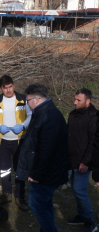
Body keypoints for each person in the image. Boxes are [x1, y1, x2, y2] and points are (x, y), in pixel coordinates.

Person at [16, 83, 68, 232]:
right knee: (44, 204)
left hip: (46, 173)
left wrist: (36, 174)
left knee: (37, 205)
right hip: (47, 171)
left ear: (36, 99)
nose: (27, 104)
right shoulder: (43, 112)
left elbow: (46, 150)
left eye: (28, 101)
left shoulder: (49, 116)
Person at [0, 75, 31, 210]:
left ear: (13, 85)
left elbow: (30, 115)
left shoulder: (23, 99)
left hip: (20, 141)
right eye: (5, 88)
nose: (8, 90)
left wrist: (22, 126)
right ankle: (7, 194)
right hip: (3, 142)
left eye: (10, 86)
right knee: (4, 169)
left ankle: (20, 197)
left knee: (20, 170)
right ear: (1, 88)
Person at [66, 88, 97, 232]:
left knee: (80, 189)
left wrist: (86, 162)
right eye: (75, 99)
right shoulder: (73, 115)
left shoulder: (93, 117)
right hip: (71, 159)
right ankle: (81, 215)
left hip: (83, 162)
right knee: (75, 188)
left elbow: (93, 142)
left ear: (88, 101)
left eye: (79, 100)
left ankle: (90, 220)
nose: (75, 102)